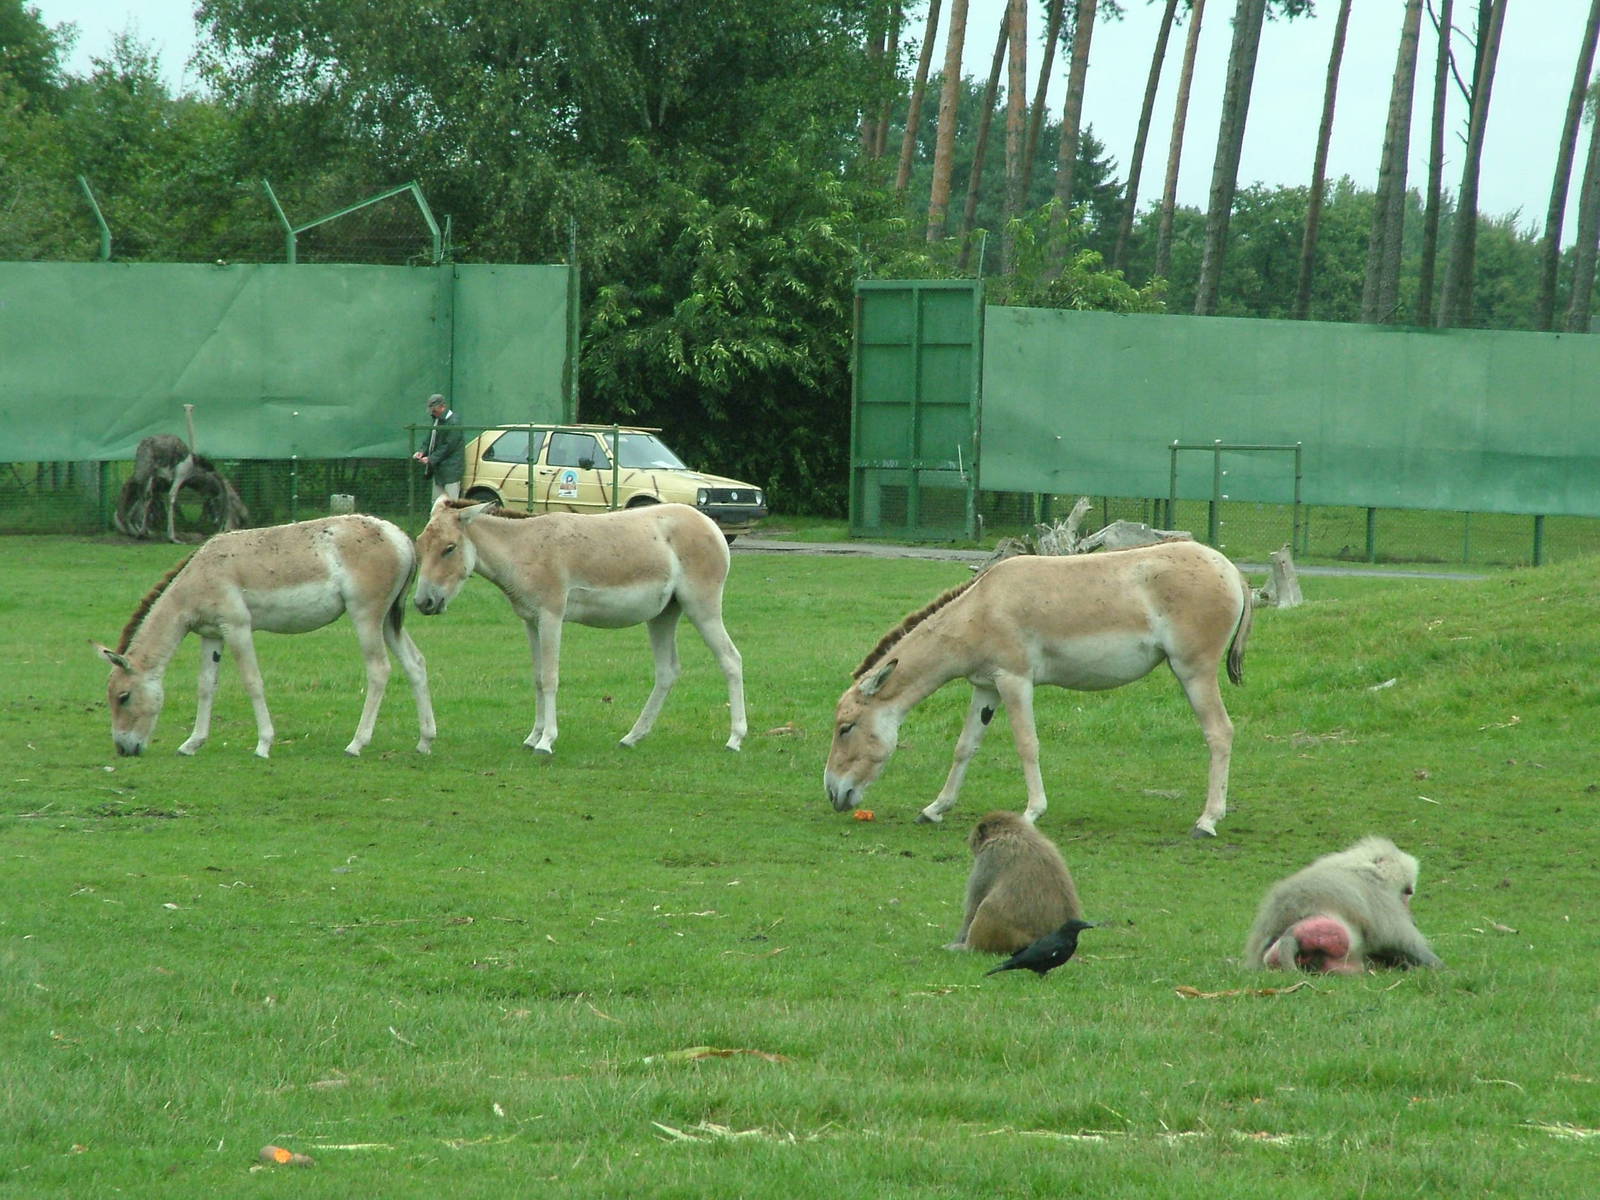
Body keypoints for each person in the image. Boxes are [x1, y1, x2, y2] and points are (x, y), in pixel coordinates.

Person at [413, 393, 463, 501]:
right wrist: (422, 451)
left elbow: (449, 446)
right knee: (436, 503)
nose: (432, 413)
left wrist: (431, 459)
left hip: (451, 471)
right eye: (431, 410)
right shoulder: (436, 420)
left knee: (451, 504)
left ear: (443, 407)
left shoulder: (454, 422)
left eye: (434, 410)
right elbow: (430, 439)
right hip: (438, 470)